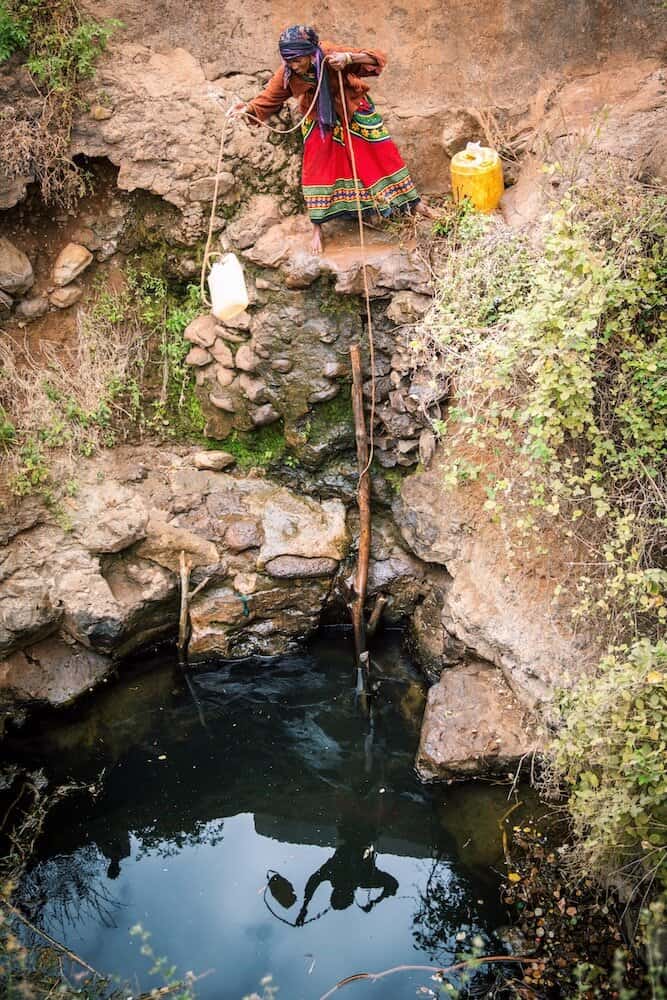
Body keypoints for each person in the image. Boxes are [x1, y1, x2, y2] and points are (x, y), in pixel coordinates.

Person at [228, 24, 435, 254]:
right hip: (319, 116)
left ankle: (413, 203)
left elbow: (376, 60)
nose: (293, 66)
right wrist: (247, 108)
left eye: (297, 60)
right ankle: (317, 225)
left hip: (352, 107)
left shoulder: (328, 53)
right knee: (317, 166)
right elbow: (270, 97)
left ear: (310, 53)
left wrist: (348, 58)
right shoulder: (288, 71)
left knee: (381, 151)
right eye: (288, 60)